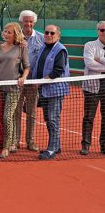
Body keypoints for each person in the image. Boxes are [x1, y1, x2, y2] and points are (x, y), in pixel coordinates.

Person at [31, 25, 69, 160]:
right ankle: (56, 145)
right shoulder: (43, 47)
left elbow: (58, 71)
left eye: (52, 33)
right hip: (44, 89)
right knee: (49, 119)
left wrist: (40, 81)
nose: (48, 34)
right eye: (46, 32)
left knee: (53, 119)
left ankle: (52, 149)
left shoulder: (60, 50)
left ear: (58, 35)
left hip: (55, 90)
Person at [0, 22, 30, 159]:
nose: (6, 34)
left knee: (7, 116)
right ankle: (13, 141)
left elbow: (27, 66)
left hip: (14, 88)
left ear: (16, 34)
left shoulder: (21, 48)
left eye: (10, 32)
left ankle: (6, 147)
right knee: (4, 116)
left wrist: (23, 78)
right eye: (5, 31)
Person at [16, 10, 44, 151]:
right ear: (21, 21)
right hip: (17, 82)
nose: (28, 23)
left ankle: (30, 141)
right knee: (16, 112)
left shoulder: (41, 38)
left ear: (34, 22)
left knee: (32, 113)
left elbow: (44, 60)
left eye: (30, 21)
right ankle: (15, 141)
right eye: (26, 21)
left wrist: (39, 80)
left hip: (33, 83)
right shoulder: (15, 37)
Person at [81, 21, 105, 155]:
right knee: (89, 117)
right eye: (102, 30)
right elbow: (90, 63)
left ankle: (104, 146)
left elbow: (96, 63)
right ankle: (85, 145)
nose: (104, 33)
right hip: (92, 86)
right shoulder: (90, 45)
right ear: (98, 31)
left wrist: (99, 60)